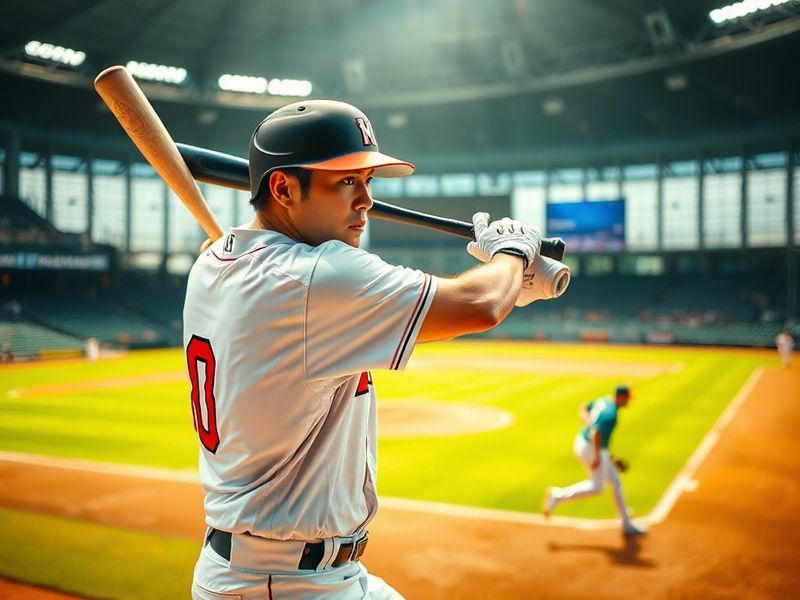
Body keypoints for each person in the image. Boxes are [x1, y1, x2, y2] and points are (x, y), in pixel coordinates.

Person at [183, 99, 565, 599]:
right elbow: (480, 305)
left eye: (367, 181)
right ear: (282, 189)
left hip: (282, 571)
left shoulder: (213, 263)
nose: (365, 200)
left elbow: (484, 296)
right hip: (284, 585)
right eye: (346, 181)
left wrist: (509, 279)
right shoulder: (315, 277)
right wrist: (512, 252)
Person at [542, 384, 647, 536]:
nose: (628, 402)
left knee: (615, 481)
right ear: (620, 397)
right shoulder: (611, 414)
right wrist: (597, 456)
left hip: (583, 442)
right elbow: (596, 433)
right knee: (597, 487)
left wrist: (608, 457)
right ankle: (557, 495)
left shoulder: (604, 400)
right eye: (627, 398)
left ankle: (626, 521)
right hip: (590, 448)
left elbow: (583, 407)